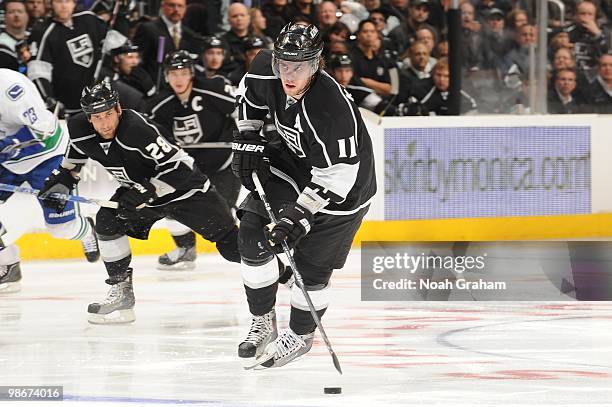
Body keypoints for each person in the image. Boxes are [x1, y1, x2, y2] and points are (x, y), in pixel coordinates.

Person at [232, 22, 376, 368]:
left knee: (311, 271)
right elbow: (249, 98)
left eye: (299, 66)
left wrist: (299, 215)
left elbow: (339, 174)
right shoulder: (265, 69)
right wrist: (249, 135)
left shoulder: (330, 109)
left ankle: (299, 335)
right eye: (284, 64)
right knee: (252, 234)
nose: (289, 74)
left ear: (317, 63)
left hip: (345, 191)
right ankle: (263, 320)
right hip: (294, 165)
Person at [39, 78, 240, 323]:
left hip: (188, 192)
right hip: (143, 194)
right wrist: (63, 179)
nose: (104, 123)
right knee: (107, 220)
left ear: (118, 110)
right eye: (97, 117)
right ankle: (121, 292)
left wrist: (148, 191)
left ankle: (283, 274)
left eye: (108, 114)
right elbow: (75, 160)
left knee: (233, 248)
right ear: (88, 117)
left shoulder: (137, 129)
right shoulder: (80, 129)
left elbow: (180, 168)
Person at [0, 69, 100, 293]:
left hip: (46, 156)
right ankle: (7, 263)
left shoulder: (12, 88)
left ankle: (86, 230)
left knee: (61, 228)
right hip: (6, 161)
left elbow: (44, 130)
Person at [146, 51, 240, 270]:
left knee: (222, 215)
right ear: (166, 76)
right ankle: (185, 249)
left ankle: (248, 250)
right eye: (173, 74)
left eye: (183, 73)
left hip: (224, 164)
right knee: (173, 208)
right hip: (189, 170)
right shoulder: (159, 105)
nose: (178, 79)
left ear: (191, 74)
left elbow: (242, 109)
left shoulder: (213, 88)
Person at [27, 0, 108, 117]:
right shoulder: (43, 32)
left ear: (74, 3)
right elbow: (38, 72)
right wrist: (49, 99)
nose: (64, 5)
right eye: (59, 1)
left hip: (98, 99)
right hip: (67, 108)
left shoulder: (88, 18)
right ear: (51, 4)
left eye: (67, 1)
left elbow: (110, 41)